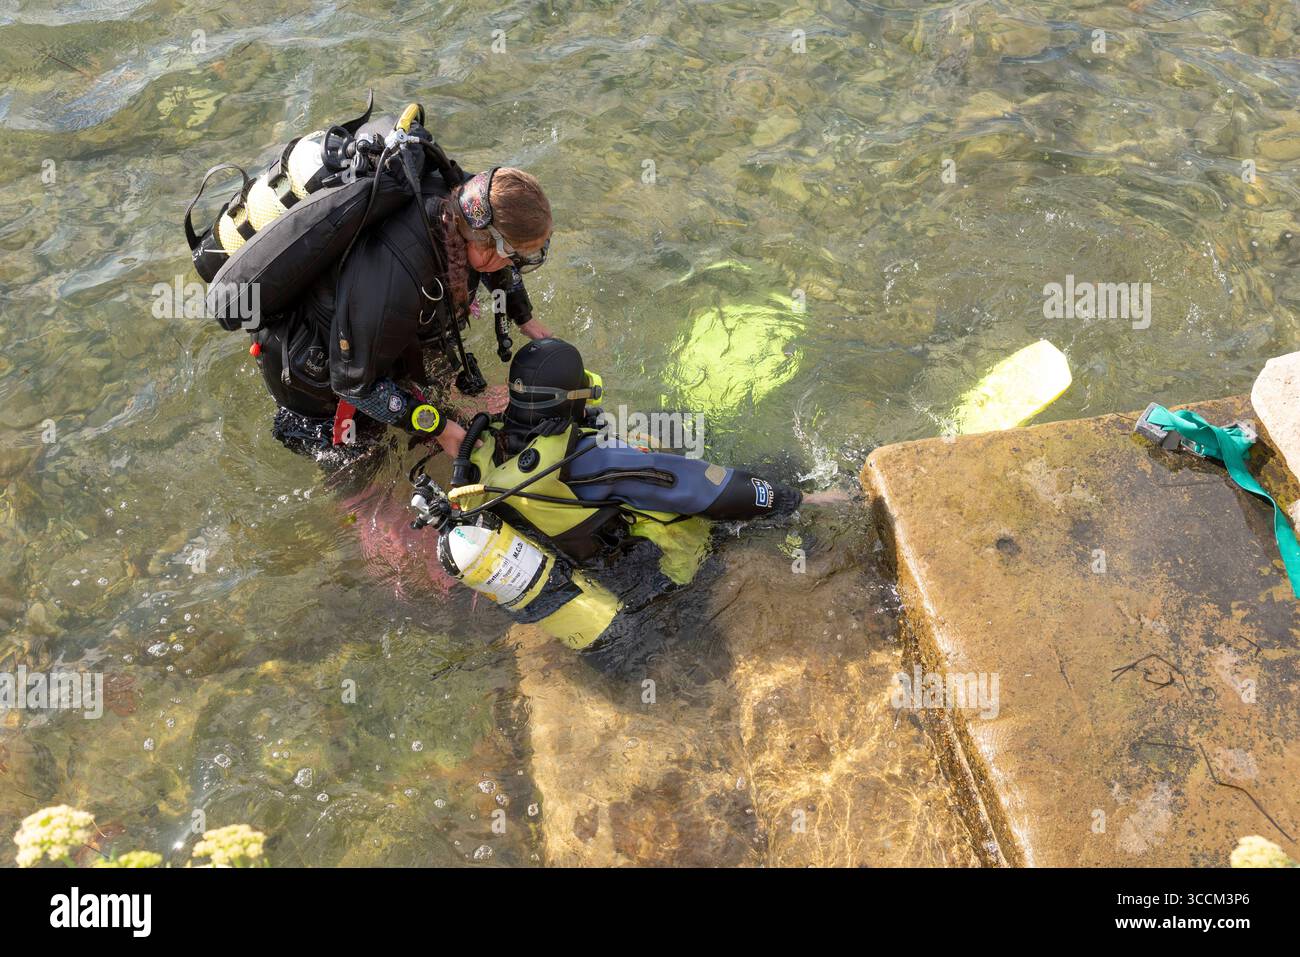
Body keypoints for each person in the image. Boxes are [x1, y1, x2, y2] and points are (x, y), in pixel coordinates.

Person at [252, 162, 555, 485]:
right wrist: (437, 427)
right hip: (317, 377)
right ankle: (366, 513)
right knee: (364, 466)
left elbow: (496, 260)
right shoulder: (398, 280)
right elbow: (353, 385)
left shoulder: (467, 200)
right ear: (483, 242)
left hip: (371, 332)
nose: (514, 265)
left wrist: (524, 317)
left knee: (439, 404)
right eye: (515, 257)